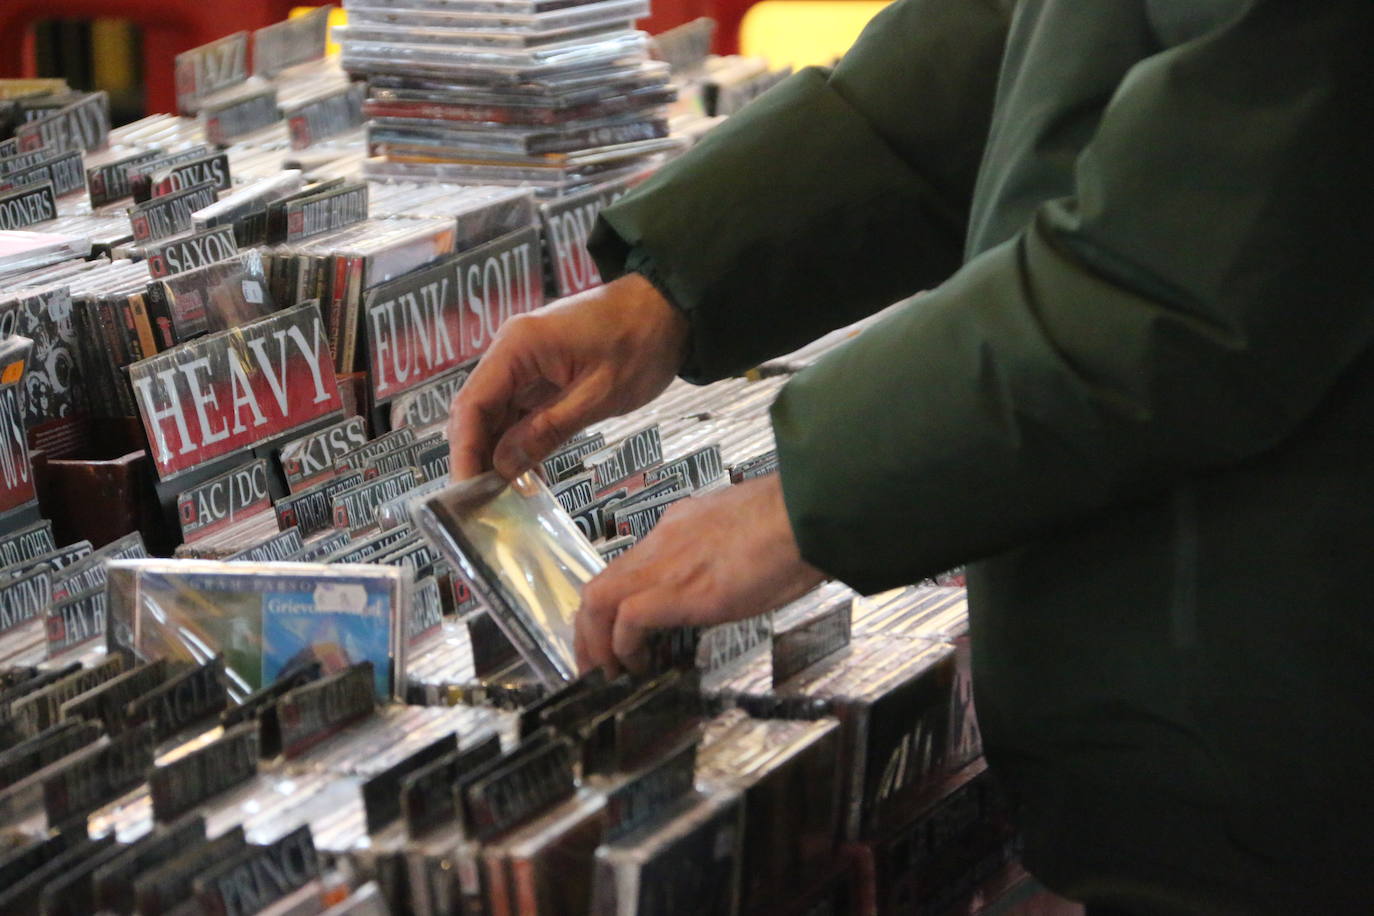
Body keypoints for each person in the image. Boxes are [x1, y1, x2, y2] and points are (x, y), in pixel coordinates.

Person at [449, 1, 1374, 911]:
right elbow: (1023, 45)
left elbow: (1185, 271)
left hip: (1291, 743)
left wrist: (806, 500)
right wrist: (673, 285)